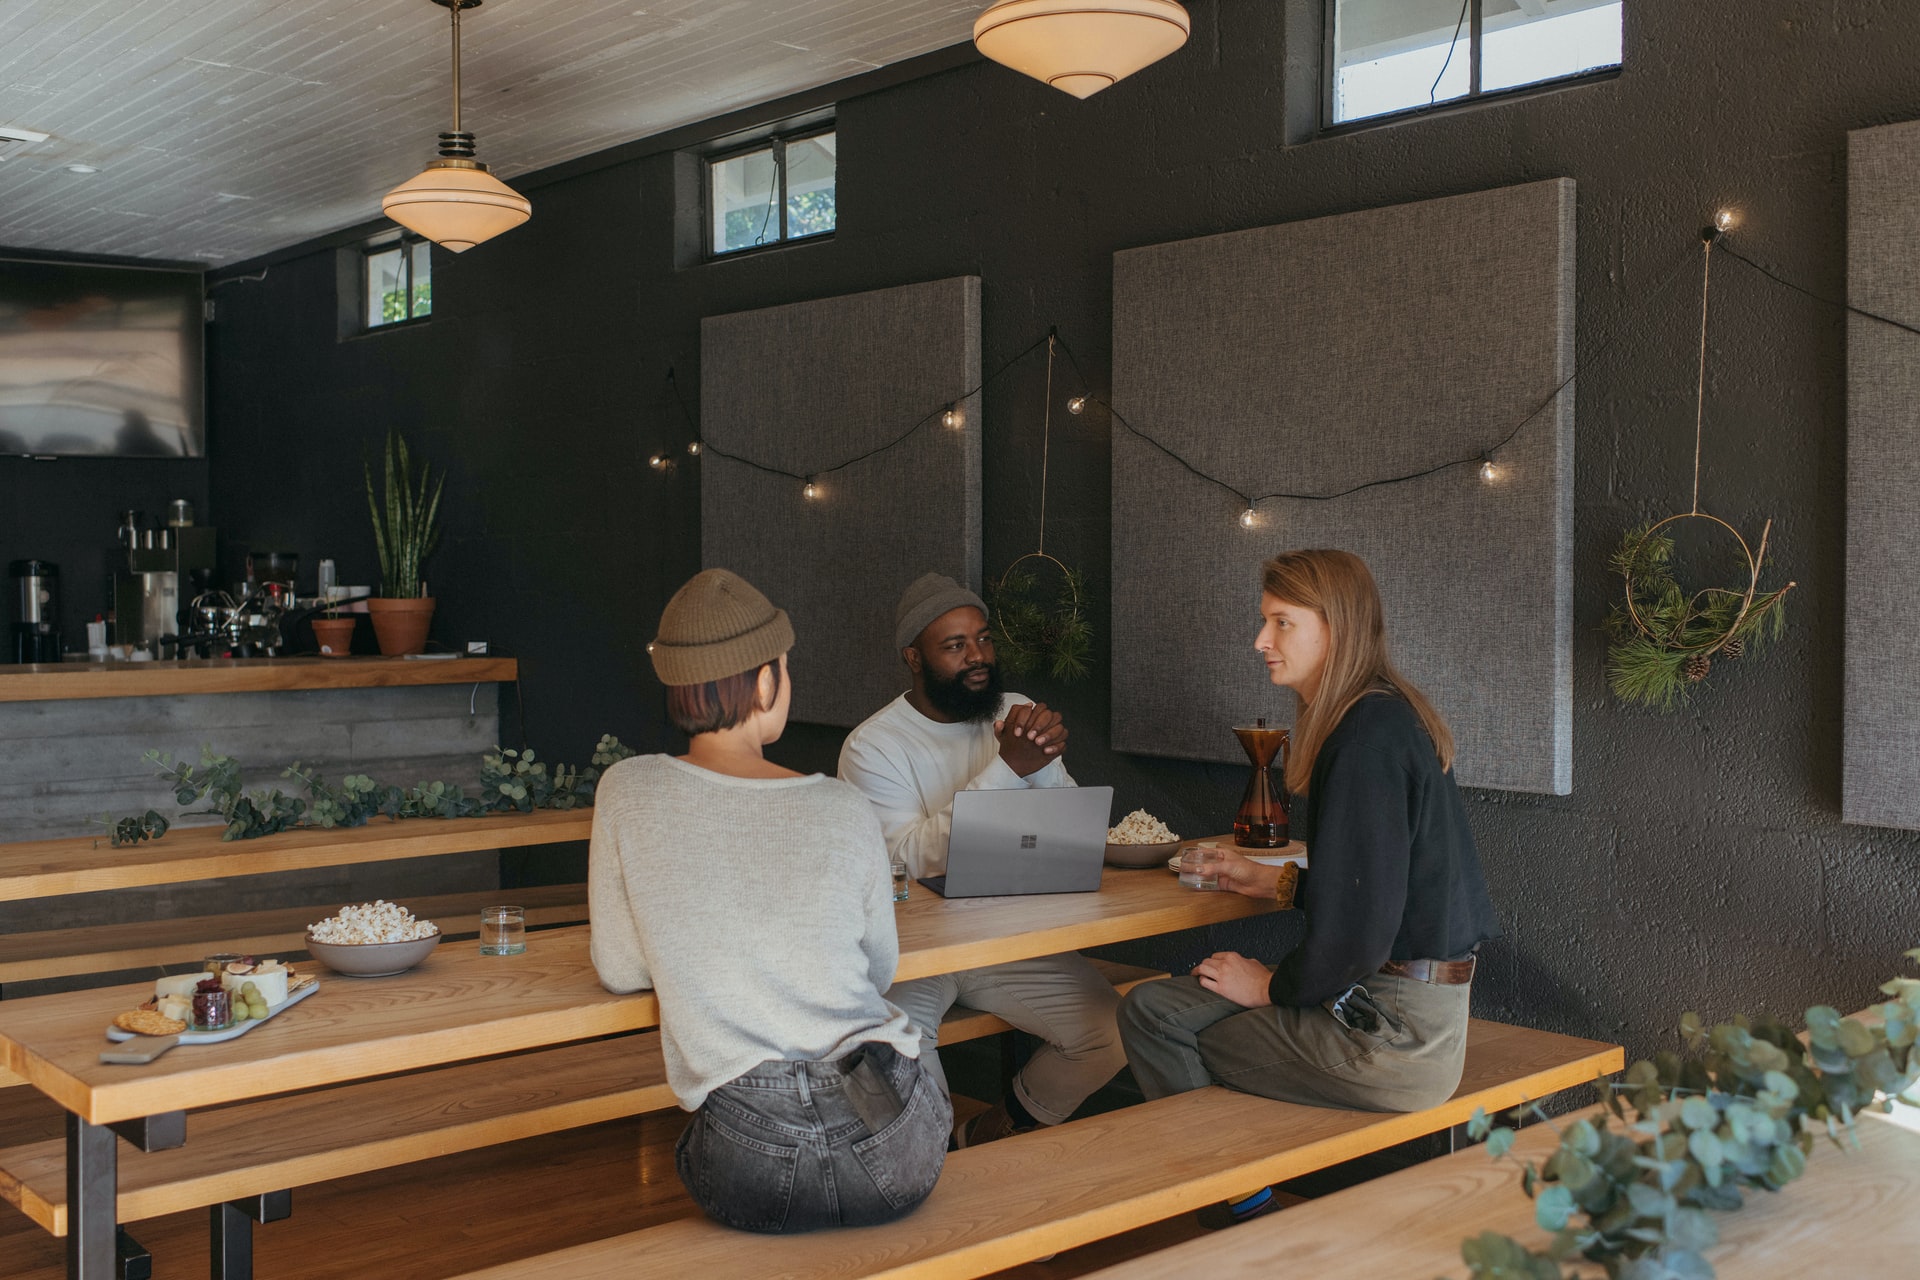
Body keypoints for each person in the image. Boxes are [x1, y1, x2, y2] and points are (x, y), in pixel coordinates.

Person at [1118, 549, 1499, 1226]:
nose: (1260, 641)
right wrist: (1276, 882)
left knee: (1158, 1019)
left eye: (1280, 622)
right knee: (1167, 1006)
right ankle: (1247, 1192)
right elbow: (1387, 884)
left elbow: (1359, 932)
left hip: (1390, 1039)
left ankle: (1244, 1222)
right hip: (1422, 1015)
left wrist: (1271, 988)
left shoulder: (1362, 740)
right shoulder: (1388, 715)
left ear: (1336, 627)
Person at [589, 568, 949, 1233]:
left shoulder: (626, 792)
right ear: (763, 680)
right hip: (899, 1142)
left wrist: (698, 953)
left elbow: (618, 968)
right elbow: (879, 970)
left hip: (749, 1158)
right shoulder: (843, 807)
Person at [839, 572, 1127, 1147]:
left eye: (984, 639)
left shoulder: (1014, 711)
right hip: (913, 951)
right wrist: (1007, 769)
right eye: (955, 646)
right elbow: (903, 861)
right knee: (897, 1045)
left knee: (1112, 1030)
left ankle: (995, 1133)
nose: (978, 657)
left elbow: (1064, 821)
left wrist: (1036, 767)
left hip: (1005, 937)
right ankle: (935, 1167)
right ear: (914, 658)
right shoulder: (873, 746)